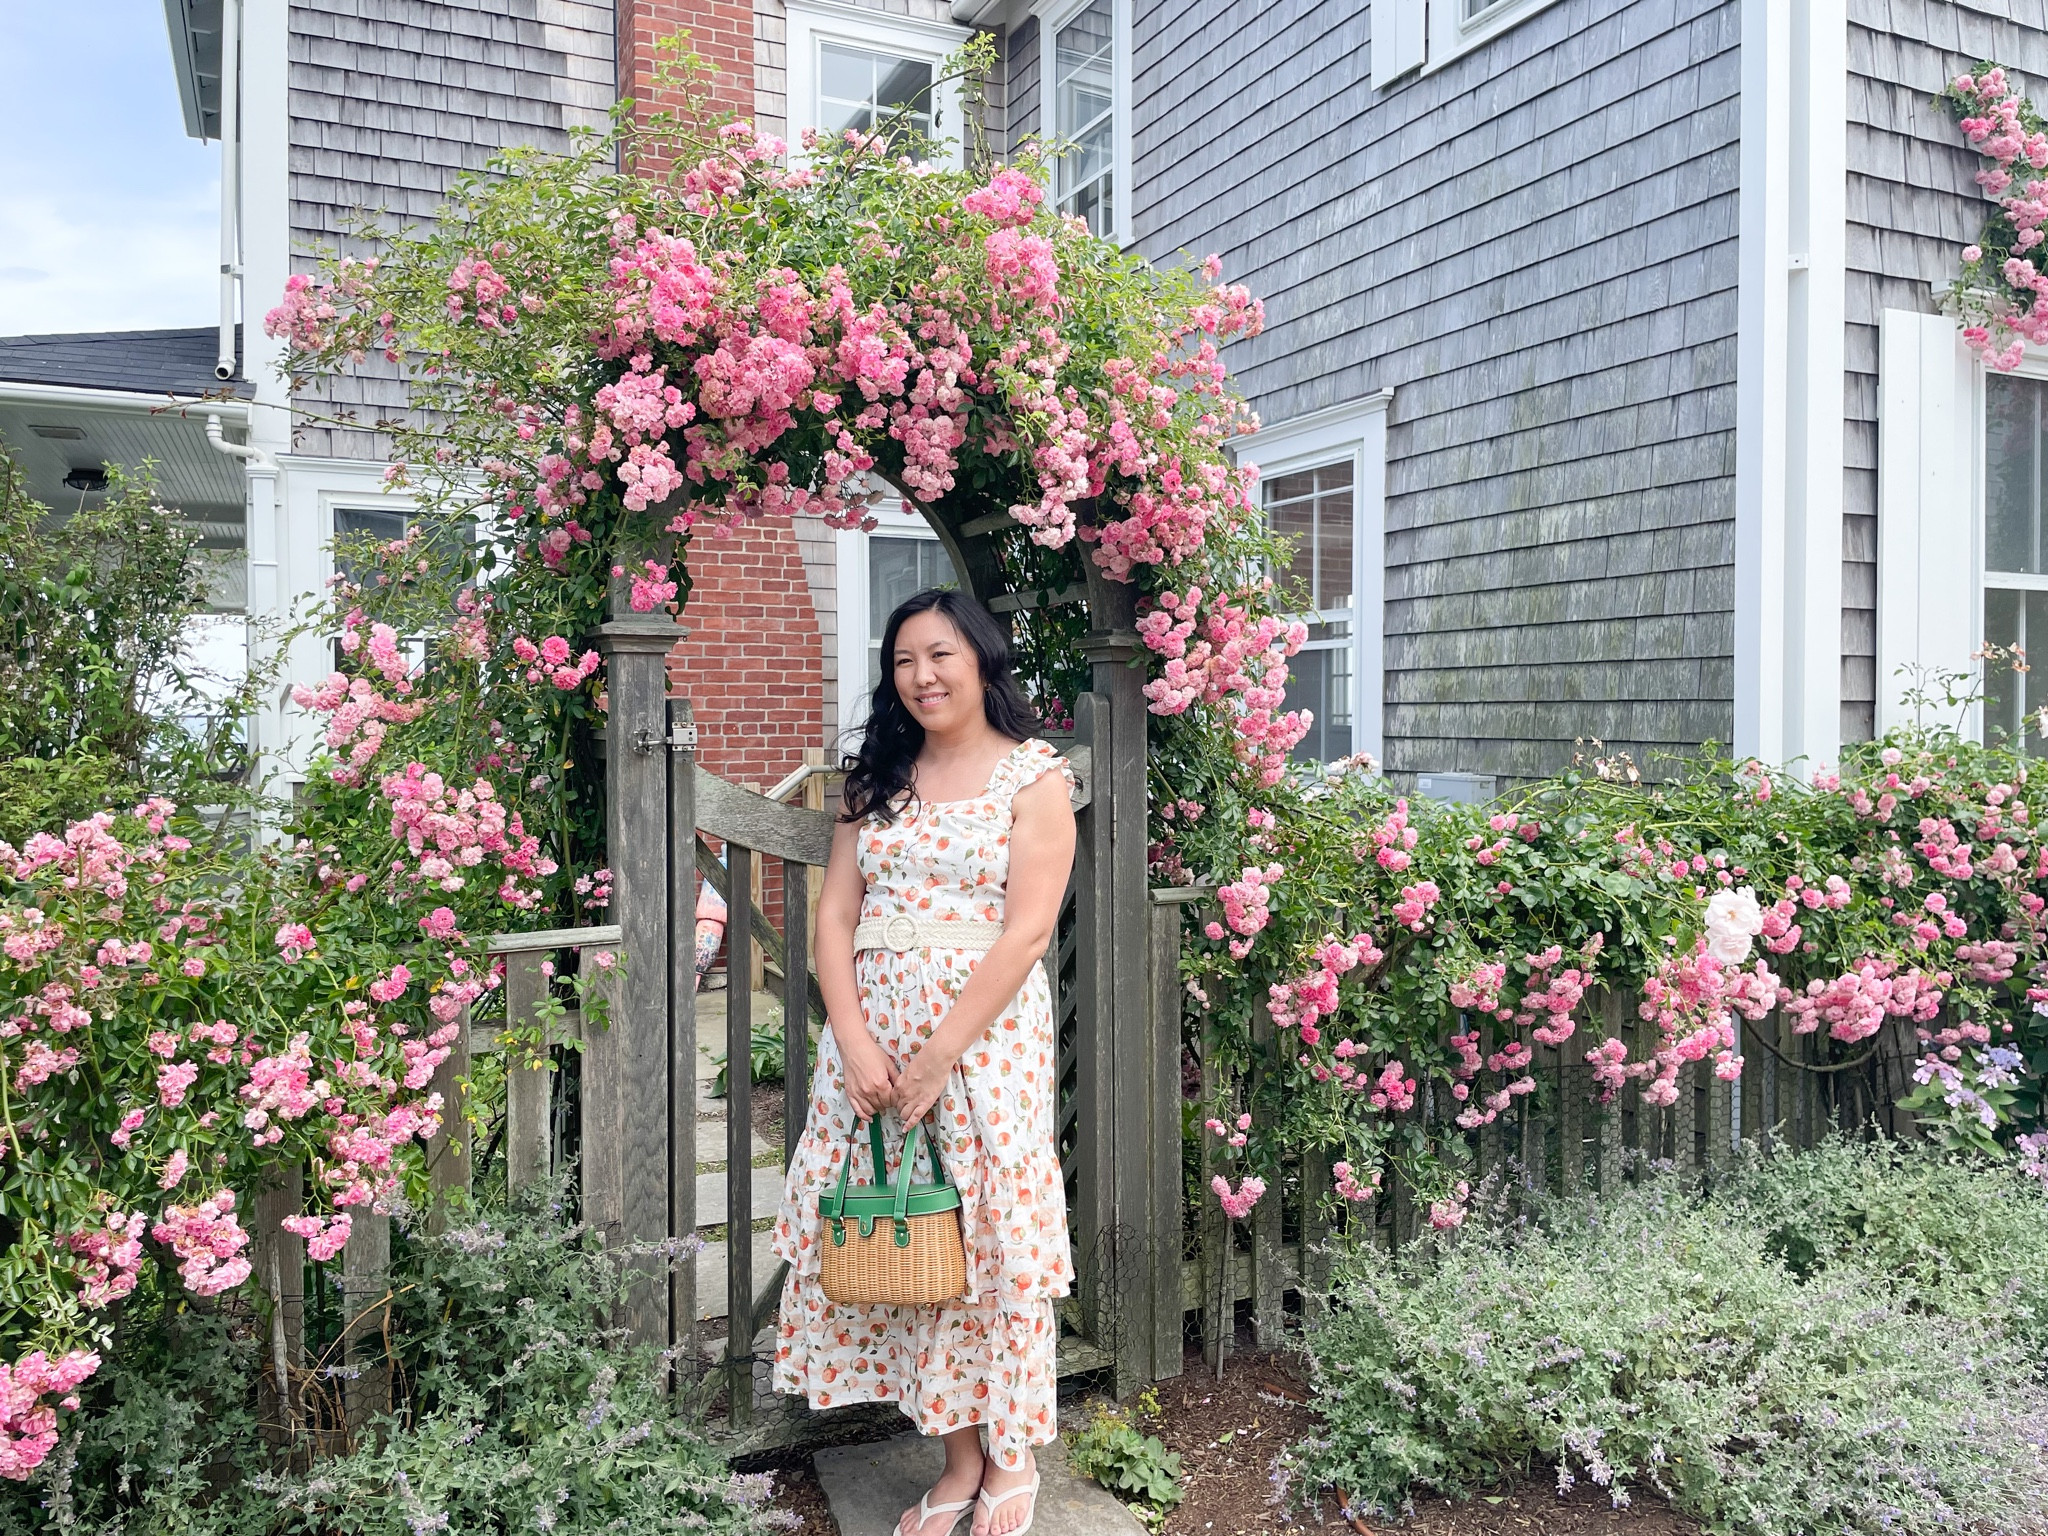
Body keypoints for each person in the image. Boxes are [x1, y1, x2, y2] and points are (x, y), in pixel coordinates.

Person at [769, 588, 1078, 1536]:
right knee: (911, 1239)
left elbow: (1027, 932)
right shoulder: (878, 778)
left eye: (940, 655)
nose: (923, 677)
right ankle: (957, 1455)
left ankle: (1010, 1453)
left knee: (988, 1239)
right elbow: (832, 919)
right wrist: (855, 1040)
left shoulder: (1034, 778)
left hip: (983, 1045)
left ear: (982, 659)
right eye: (904, 661)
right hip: (871, 1045)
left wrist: (942, 1054)